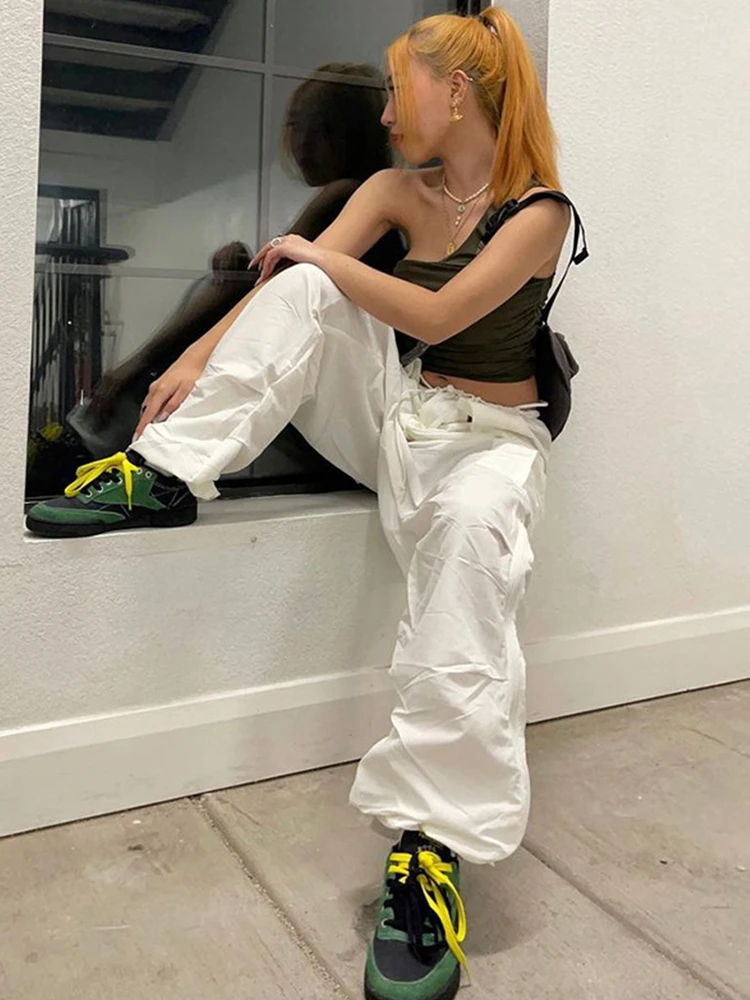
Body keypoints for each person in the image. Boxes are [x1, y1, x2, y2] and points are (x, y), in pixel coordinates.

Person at [28, 9, 576, 1000]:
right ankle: (164, 474)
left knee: (468, 538)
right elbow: (291, 286)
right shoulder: (391, 189)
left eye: (400, 85)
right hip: (401, 421)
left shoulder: (541, 212)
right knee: (303, 286)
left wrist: (317, 257)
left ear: (455, 92)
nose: (387, 108)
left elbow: (441, 312)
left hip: (490, 449)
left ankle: (430, 849)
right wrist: (198, 356)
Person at [75, 61, 403, 456]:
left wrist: (139, 365)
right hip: (349, 390)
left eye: (326, 129)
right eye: (296, 126)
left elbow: (272, 289)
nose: (304, 144)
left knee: (199, 334)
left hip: (343, 396)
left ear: (359, 133)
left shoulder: (346, 194)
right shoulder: (368, 203)